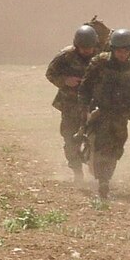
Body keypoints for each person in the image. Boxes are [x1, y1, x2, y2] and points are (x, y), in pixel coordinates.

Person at [76, 29, 130, 201]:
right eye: (118, 50)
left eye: (126, 50)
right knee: (103, 144)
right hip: (102, 110)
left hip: (122, 112)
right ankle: (103, 181)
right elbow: (86, 86)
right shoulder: (100, 62)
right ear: (112, 49)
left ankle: (103, 172)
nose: (122, 54)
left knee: (118, 145)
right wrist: (84, 107)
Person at [45, 24, 101, 182]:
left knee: (98, 138)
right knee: (70, 139)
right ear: (77, 46)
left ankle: (98, 169)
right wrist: (65, 80)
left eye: (89, 48)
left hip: (93, 104)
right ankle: (77, 170)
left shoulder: (100, 57)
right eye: (83, 48)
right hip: (70, 105)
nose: (87, 51)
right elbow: (50, 73)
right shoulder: (65, 55)